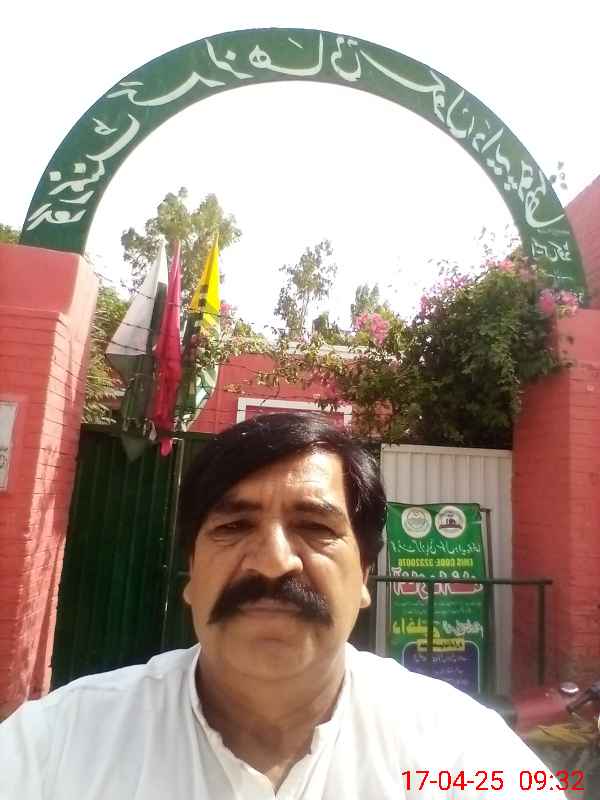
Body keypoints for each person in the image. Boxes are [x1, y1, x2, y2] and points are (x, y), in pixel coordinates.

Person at [1, 413, 562, 799]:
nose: (272, 563)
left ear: (365, 576)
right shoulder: (54, 748)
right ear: (191, 573)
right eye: (233, 526)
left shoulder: (460, 750)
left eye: (315, 527)